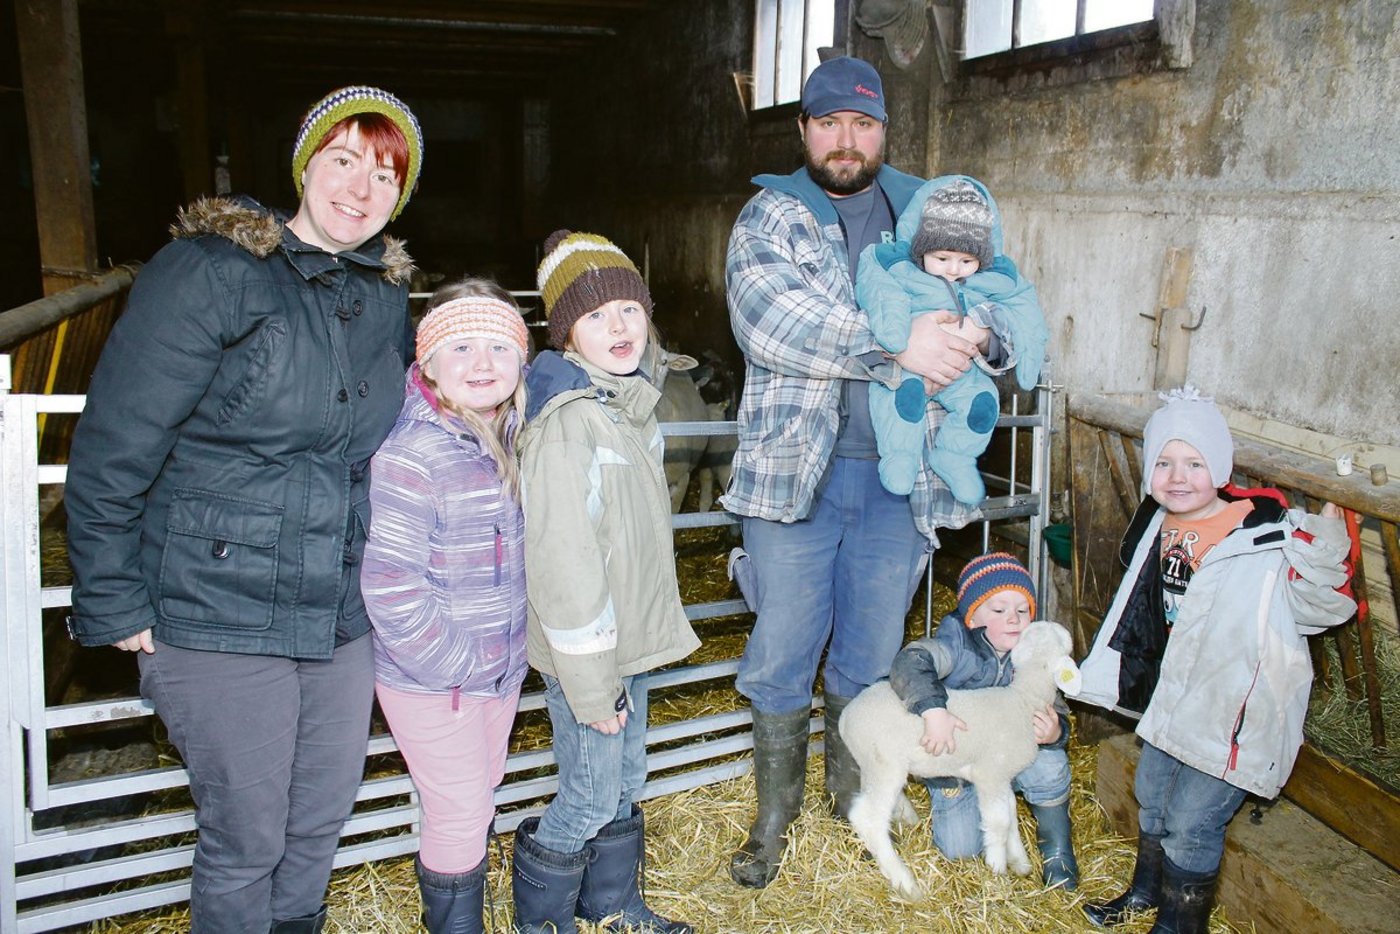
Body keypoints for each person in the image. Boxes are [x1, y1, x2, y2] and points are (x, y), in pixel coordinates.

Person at [63, 86, 423, 933]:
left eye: (384, 175)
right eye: (342, 161)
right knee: (246, 840)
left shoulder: (383, 297)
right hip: (214, 611)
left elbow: (382, 450)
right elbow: (115, 444)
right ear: (305, 168)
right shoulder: (212, 271)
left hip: (335, 615)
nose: (359, 189)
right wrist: (110, 594)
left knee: (314, 830)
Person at [722, 55, 1029, 889]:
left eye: (863, 123)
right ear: (804, 130)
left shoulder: (930, 208)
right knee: (782, 650)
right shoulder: (772, 214)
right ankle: (773, 820)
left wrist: (985, 339)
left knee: (867, 656)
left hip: (902, 482)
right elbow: (767, 319)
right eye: (829, 122)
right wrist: (898, 342)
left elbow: (997, 295)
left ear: (884, 129)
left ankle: (849, 804)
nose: (846, 139)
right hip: (797, 479)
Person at [1077, 387, 1355, 933]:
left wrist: (1322, 546)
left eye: (1195, 462)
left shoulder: (1265, 535)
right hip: (1176, 692)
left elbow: (1321, 607)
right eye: (1164, 462)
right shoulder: (1156, 524)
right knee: (1152, 796)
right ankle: (1144, 894)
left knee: (1192, 821)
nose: (1178, 476)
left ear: (1220, 468)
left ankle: (1182, 925)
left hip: (1234, 703)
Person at [511, 230, 700, 934]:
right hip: (586, 654)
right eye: (594, 316)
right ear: (565, 336)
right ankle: (541, 921)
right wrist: (591, 686)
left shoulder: (628, 407)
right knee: (589, 796)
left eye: (627, 308)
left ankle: (614, 904)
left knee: (622, 783)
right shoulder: (570, 424)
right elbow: (562, 562)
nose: (617, 326)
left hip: (628, 640)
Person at [361, 281, 531, 933]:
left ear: (521, 361)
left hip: (499, 667)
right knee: (461, 810)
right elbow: (391, 585)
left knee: (476, 798)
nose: (481, 362)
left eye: (498, 346)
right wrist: (455, 663)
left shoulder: (507, 441)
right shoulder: (415, 453)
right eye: (460, 347)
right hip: (438, 678)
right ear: (427, 363)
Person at [888, 552, 1079, 889]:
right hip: (958, 763)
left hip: (1008, 755)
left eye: (1022, 611)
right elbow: (911, 661)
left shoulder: (1033, 652)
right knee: (961, 850)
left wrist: (1056, 731)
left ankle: (1057, 852)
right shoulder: (956, 646)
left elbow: (1058, 706)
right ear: (973, 616)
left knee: (1050, 764)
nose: (1014, 619)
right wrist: (933, 710)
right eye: (999, 610)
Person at [855, 175, 1048, 503]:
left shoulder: (996, 279)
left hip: (964, 372)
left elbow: (1025, 311)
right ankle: (899, 458)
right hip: (909, 367)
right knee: (903, 398)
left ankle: (955, 457)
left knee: (983, 404)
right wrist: (895, 333)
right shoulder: (899, 266)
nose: (954, 270)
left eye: (967, 261)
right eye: (942, 258)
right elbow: (877, 287)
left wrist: (1011, 347)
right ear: (922, 246)